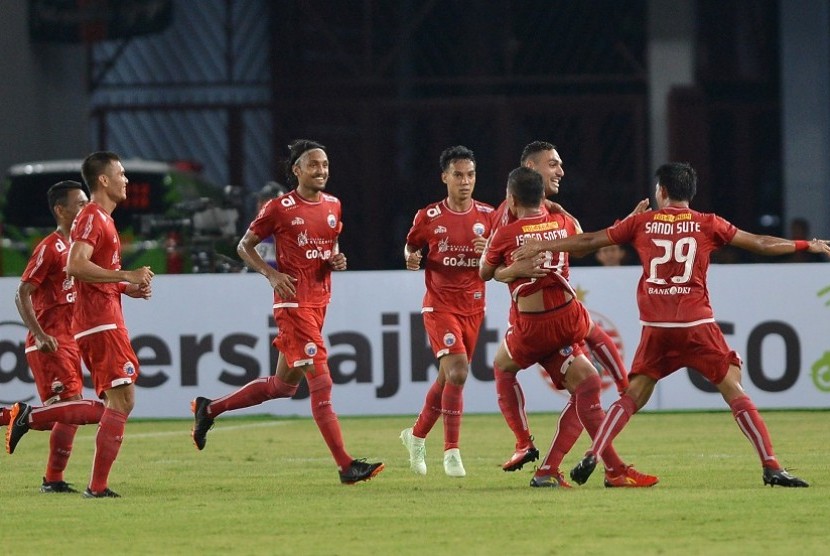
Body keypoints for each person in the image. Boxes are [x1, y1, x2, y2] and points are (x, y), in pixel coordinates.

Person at [514, 162, 829, 487]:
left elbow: (589, 241)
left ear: (661, 191)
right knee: (733, 386)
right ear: (688, 192)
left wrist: (543, 245)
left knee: (633, 394)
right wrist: (807, 245)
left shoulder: (643, 222)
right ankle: (771, 465)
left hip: (657, 327)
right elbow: (761, 244)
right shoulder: (708, 223)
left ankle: (595, 452)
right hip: (696, 324)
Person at [191, 139, 384, 485]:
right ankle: (346, 466)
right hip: (293, 305)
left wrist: (335, 259)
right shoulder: (279, 208)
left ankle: (209, 408)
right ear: (297, 170)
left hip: (319, 302)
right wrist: (270, 272)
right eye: (313, 165)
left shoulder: (334, 205)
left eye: (324, 164)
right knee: (321, 383)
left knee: (282, 386)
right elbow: (243, 246)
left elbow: (331, 244)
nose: (321, 170)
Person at [480, 167, 657, 489]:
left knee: (503, 367)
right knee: (587, 380)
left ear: (511, 197)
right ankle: (589, 461)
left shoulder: (505, 230)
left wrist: (511, 269)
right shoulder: (562, 222)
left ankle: (523, 442)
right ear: (541, 189)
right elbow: (588, 240)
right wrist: (627, 223)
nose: (558, 170)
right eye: (552, 164)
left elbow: (484, 272)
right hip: (564, 318)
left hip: (532, 327)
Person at [10, 151, 154, 499]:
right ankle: (28, 420)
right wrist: (125, 274)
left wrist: (126, 287)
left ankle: (79, 480)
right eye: (120, 173)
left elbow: (84, 274)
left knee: (117, 401)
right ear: (103, 179)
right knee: (117, 402)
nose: (126, 180)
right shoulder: (92, 217)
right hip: (95, 324)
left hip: (94, 322)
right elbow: (75, 267)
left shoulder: (100, 219)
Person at [399, 145, 495, 478]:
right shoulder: (429, 217)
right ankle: (451, 452)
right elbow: (412, 245)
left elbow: (500, 264)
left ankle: (416, 435)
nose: (465, 181)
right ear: (445, 178)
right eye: (458, 175)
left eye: (470, 175)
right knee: (457, 372)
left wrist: (489, 255)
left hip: (474, 306)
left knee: (447, 378)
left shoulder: (489, 216)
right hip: (439, 305)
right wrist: (411, 258)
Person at [6, 181, 107, 494]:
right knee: (73, 408)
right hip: (50, 340)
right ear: (60, 210)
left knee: (65, 414)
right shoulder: (50, 247)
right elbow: (23, 292)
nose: (84, 209)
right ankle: (50, 475)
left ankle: (52, 477)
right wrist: (39, 333)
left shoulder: (82, 248)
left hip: (71, 339)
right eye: (78, 204)